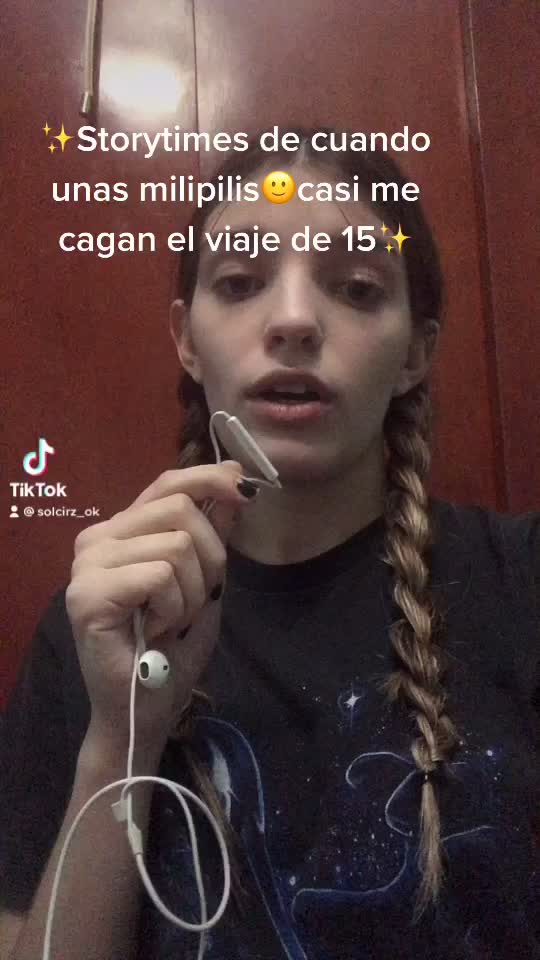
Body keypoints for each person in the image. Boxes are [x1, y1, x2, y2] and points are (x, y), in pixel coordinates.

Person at [0, 125, 539, 960]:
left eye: (356, 287)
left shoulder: (523, 582)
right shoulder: (98, 627)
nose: (292, 320)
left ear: (414, 355)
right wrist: (121, 740)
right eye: (241, 282)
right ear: (186, 339)